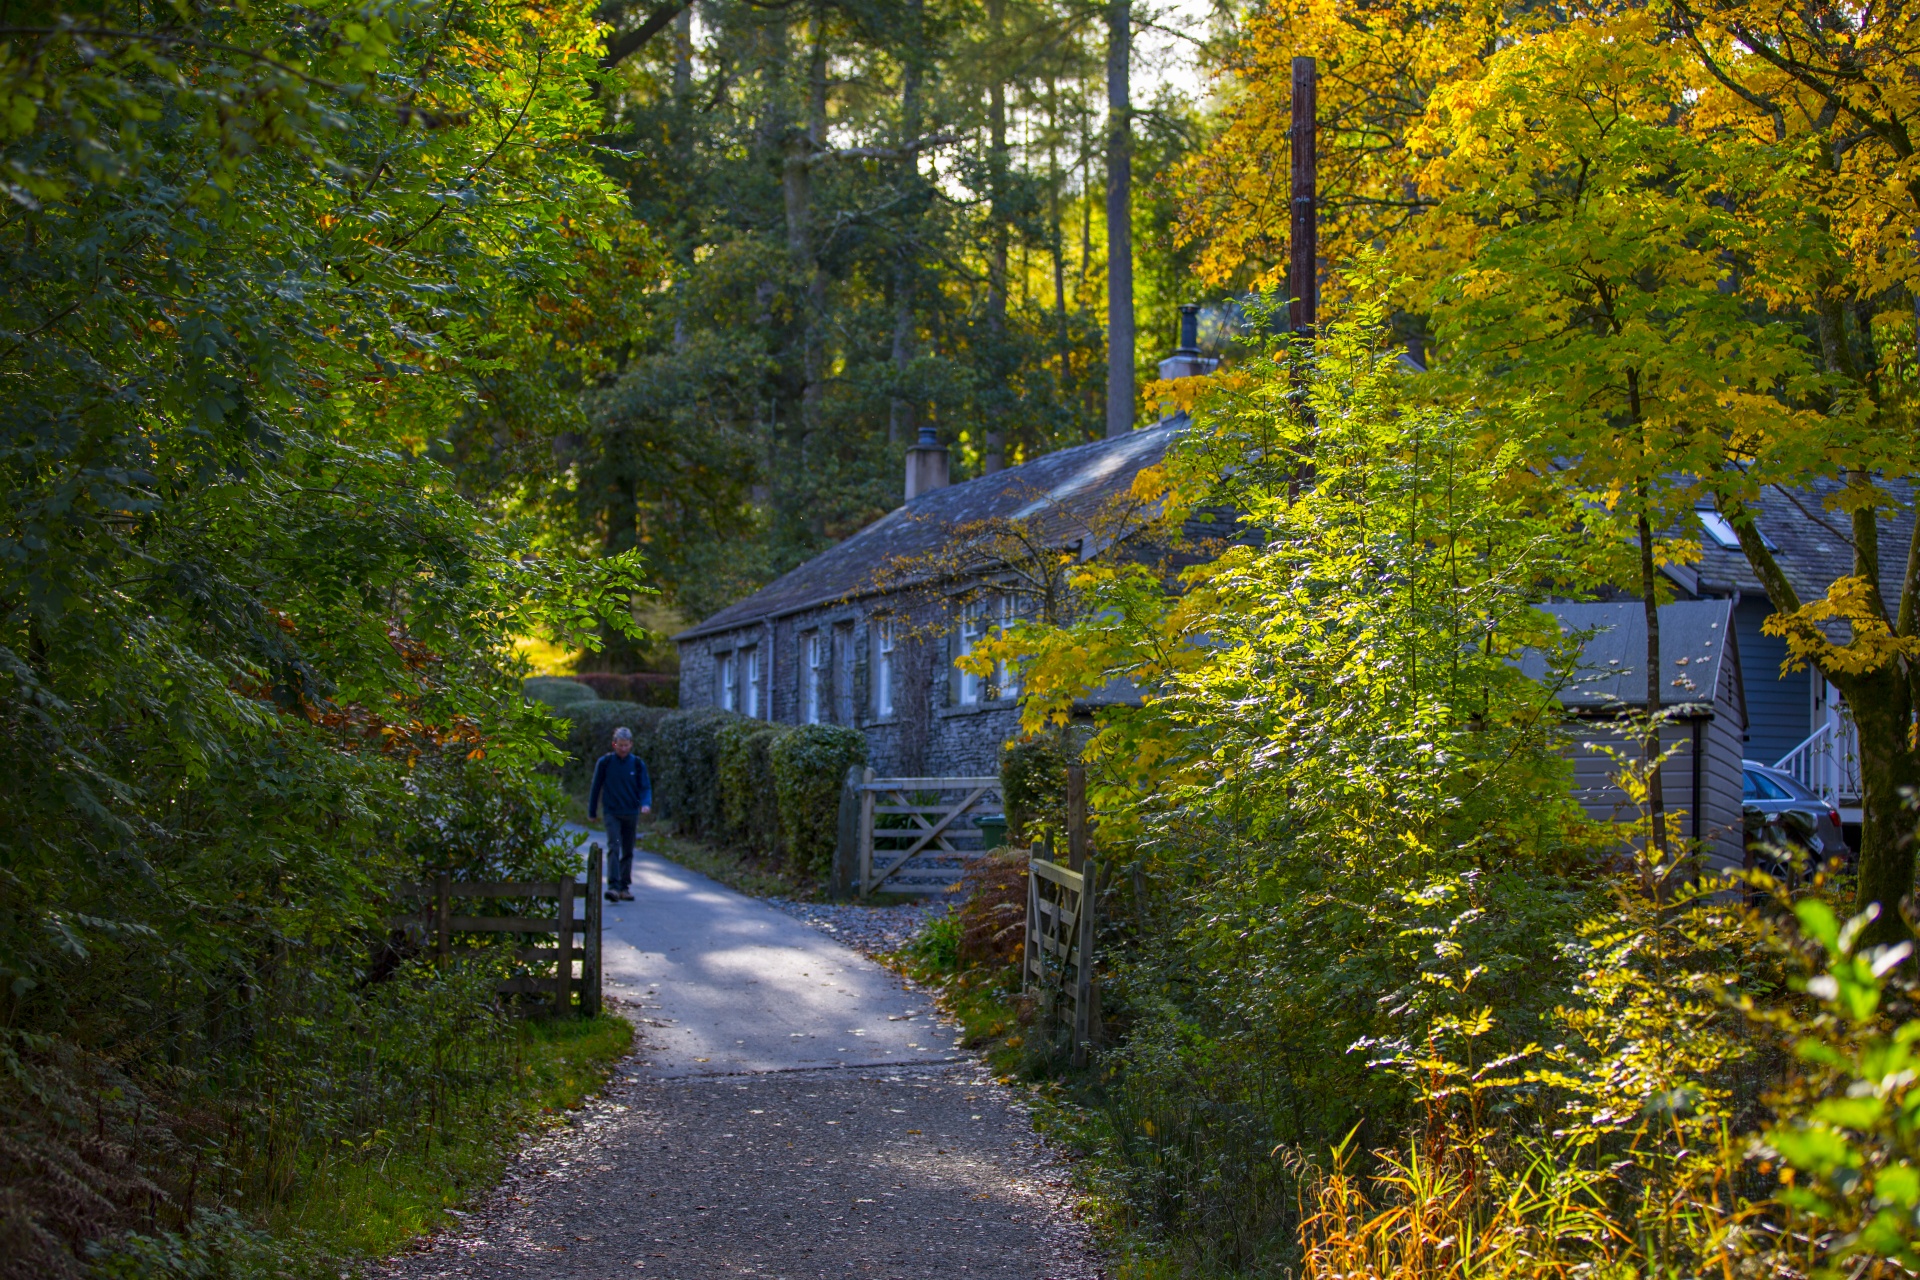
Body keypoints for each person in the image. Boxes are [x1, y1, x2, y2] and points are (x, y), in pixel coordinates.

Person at [587, 727, 651, 902]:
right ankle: (613, 887)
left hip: (630, 812)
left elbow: (645, 787)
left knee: (628, 850)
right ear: (614, 744)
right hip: (612, 813)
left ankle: (624, 886)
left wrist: (645, 804)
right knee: (614, 847)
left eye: (626, 745)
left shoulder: (637, 764)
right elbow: (596, 787)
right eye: (620, 745)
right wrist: (592, 811)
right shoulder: (605, 763)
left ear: (631, 744)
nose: (623, 749)